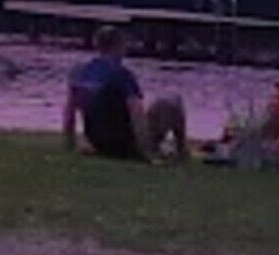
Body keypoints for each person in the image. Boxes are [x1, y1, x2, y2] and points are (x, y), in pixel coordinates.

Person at [61, 25, 187, 162]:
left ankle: (168, 150)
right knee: (173, 100)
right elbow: (136, 115)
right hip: (125, 143)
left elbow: (69, 114)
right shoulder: (122, 75)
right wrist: (145, 153)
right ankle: (181, 151)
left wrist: (70, 145)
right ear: (119, 46)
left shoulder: (79, 72)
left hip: (97, 140)